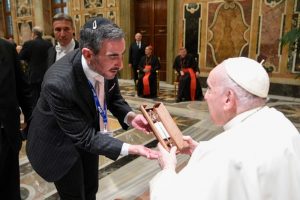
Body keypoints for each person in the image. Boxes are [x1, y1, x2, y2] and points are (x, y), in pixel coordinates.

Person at [26, 17, 159, 200]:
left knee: (90, 189)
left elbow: (114, 97)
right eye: (113, 56)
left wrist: (130, 117)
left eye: (121, 54)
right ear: (88, 54)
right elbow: (85, 138)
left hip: (88, 131)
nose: (120, 64)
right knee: (74, 195)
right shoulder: (57, 83)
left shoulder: (104, 64)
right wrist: (132, 148)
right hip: (58, 142)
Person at [150, 57, 300, 200]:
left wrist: (168, 168)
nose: (206, 96)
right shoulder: (281, 123)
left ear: (228, 98)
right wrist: (200, 150)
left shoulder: (222, 153)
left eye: (209, 88)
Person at [0, 38, 32, 200]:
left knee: (10, 187)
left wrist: (31, 120)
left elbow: (22, 87)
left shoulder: (6, 48)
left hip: (6, 132)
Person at [19, 26, 53, 108]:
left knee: (35, 99)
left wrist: (29, 60)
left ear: (33, 34)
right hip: (47, 74)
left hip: (33, 75)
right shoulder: (48, 44)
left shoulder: (28, 44)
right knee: (46, 98)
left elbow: (21, 56)